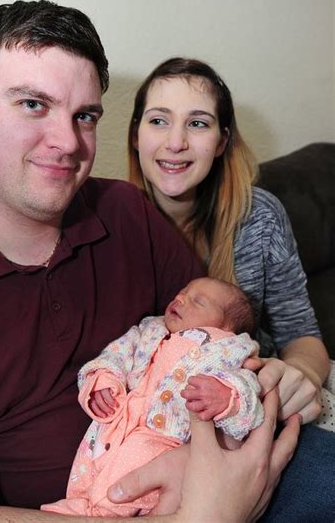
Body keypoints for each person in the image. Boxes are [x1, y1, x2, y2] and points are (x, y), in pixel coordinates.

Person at [0, 1, 299, 522]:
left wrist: (267, 395)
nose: (68, 142)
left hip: (207, 462)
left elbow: (215, 344)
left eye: (84, 116)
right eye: (32, 104)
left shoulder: (127, 212)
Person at [127, 56, 333, 519]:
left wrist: (301, 373)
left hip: (251, 409)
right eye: (159, 121)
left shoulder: (258, 215)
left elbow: (303, 333)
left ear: (221, 141)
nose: (176, 143)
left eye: (197, 124)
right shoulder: (113, 223)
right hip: (157, 434)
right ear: (136, 133)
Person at [42, 277, 264, 517]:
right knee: (92, 465)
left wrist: (226, 397)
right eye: (182, 292)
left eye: (198, 302)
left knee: (130, 472)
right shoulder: (149, 330)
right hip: (119, 422)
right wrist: (103, 380)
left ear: (227, 327)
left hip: (165, 440)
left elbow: (248, 389)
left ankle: (96, 513)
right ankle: (79, 502)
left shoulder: (228, 350)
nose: (180, 299)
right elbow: (116, 354)